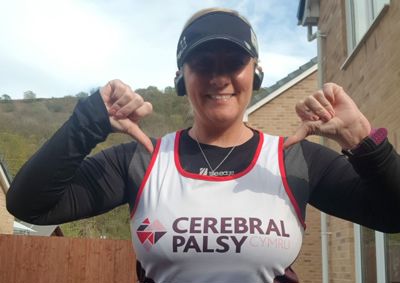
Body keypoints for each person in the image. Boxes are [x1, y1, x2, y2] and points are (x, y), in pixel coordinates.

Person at [6, 7, 400, 283]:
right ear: (181, 77)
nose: (219, 77)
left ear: (256, 73)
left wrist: (363, 141)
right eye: (203, 64)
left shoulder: (293, 160)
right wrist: (89, 120)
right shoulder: (142, 160)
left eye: (233, 62)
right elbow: (28, 204)